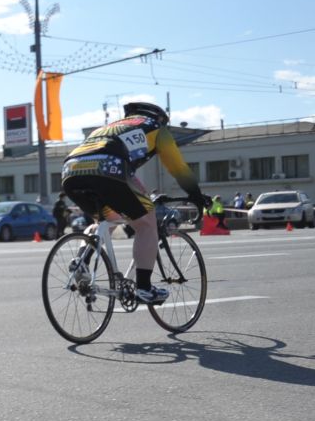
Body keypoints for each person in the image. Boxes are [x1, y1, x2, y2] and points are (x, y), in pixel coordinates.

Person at [59, 100, 210, 303]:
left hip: (71, 170)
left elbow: (131, 180)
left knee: (105, 220)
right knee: (146, 223)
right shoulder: (156, 128)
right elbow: (179, 168)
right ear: (160, 119)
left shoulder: (111, 128)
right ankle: (145, 288)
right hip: (108, 167)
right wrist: (196, 195)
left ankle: (81, 261)